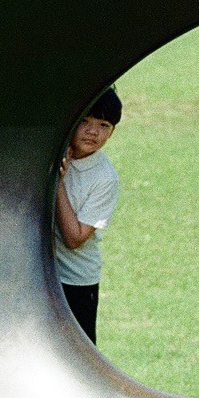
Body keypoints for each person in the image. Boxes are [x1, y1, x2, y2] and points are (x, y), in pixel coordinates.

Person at [54, 87, 122, 344]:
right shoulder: (52, 152)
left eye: (104, 125)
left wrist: (57, 182)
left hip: (74, 280)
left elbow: (75, 238)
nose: (93, 132)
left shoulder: (104, 177)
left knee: (78, 351)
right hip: (38, 270)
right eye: (85, 121)